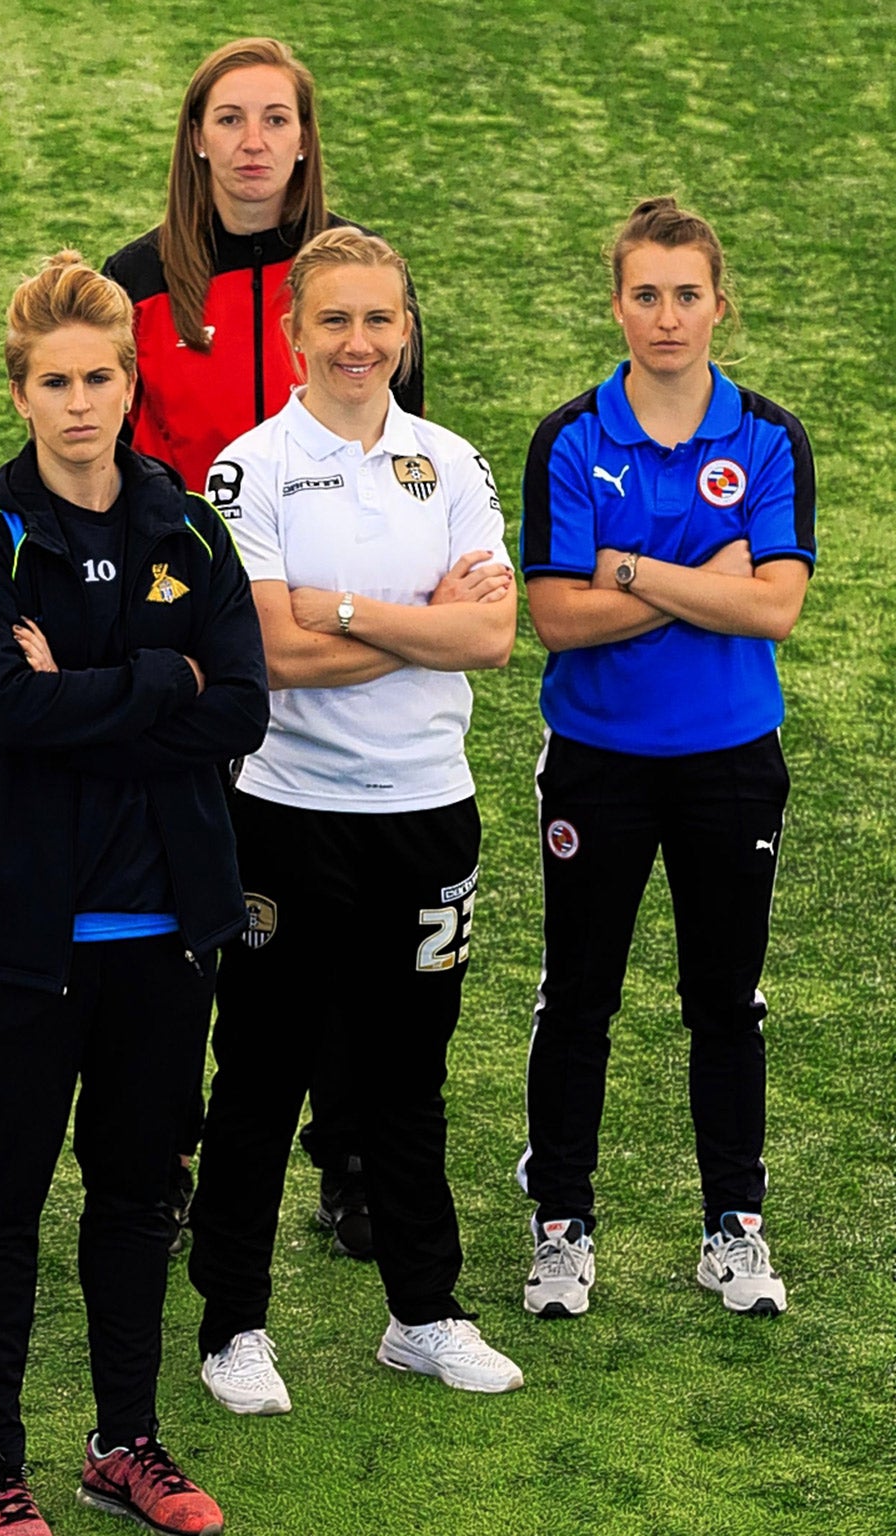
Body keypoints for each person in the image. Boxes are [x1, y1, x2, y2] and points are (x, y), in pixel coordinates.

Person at [0, 253, 264, 1536]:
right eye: (53, 382)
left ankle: (123, 1441)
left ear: (129, 384)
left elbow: (238, 703)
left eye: (99, 378)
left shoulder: (187, 526)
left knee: (137, 1197)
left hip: (164, 932)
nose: (79, 403)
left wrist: (93, 683)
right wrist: (159, 682)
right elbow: (8, 711)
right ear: (20, 395)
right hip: (16, 935)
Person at [189, 227, 525, 1415]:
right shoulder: (247, 470)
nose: (359, 342)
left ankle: (422, 1314)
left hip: (427, 816)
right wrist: (400, 616)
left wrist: (335, 615)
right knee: (262, 1073)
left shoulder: (452, 462)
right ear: (291, 335)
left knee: (405, 1074)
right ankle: (231, 1328)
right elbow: (266, 652)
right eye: (333, 319)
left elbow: (489, 635)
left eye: (379, 319)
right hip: (284, 817)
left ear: (405, 329)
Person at [104, 35, 427, 1262]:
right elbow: (115, 477)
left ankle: (345, 1159)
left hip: (324, 648)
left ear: (303, 139)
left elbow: (403, 458)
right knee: (191, 910)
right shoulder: (140, 288)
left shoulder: (360, 283)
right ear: (195, 137)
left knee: (338, 922)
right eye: (228, 118)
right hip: (189, 659)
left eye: (274, 119)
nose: (251, 141)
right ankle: (168, 1150)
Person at [515, 197, 813, 1320]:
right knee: (576, 997)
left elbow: (773, 608)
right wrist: (699, 582)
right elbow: (555, 616)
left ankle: (731, 1226)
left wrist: (625, 571)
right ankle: (559, 1224)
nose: (665, 316)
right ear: (615, 305)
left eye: (685, 294)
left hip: (730, 762)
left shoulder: (767, 436)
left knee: (722, 1002)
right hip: (594, 761)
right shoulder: (569, 436)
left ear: (717, 305)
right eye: (644, 293)